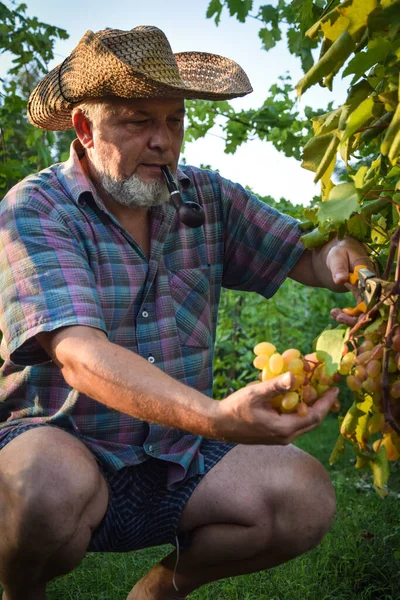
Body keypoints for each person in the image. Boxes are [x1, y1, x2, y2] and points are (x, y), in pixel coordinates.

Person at [0, 26, 370, 600]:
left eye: (173, 121)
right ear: (83, 128)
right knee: (45, 487)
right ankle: (19, 591)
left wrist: (340, 254)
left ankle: (156, 593)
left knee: (303, 498)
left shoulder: (205, 199)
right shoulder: (37, 208)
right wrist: (218, 417)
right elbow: (80, 357)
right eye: (137, 121)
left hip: (177, 457)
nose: (163, 141)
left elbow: (305, 254)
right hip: (64, 443)